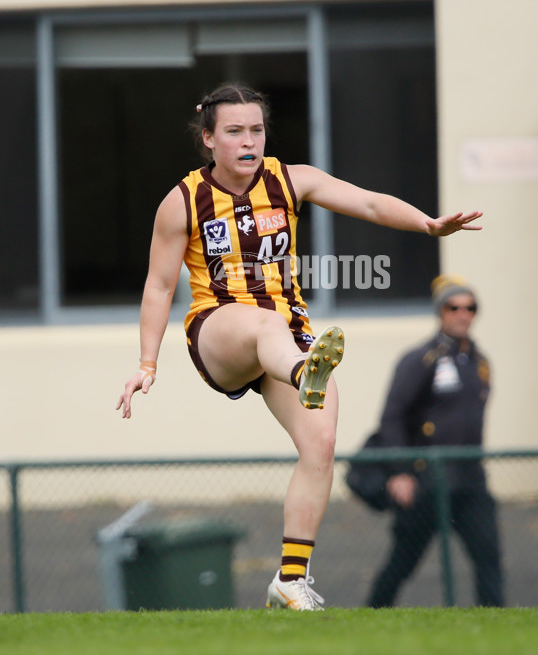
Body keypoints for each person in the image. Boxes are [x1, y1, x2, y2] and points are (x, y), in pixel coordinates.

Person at [116, 82, 483, 611]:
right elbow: (158, 286)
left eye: (257, 130)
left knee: (322, 443)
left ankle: (290, 580)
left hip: (289, 336)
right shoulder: (182, 201)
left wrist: (426, 224)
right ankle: (303, 369)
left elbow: (370, 203)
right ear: (209, 139)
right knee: (266, 327)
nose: (249, 141)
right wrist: (147, 363)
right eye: (235, 132)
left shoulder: (292, 180)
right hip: (221, 332)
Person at [365, 274, 504, 608]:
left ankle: (498, 625)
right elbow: (393, 416)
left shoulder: (479, 363)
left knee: (489, 556)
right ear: (440, 312)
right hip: (428, 477)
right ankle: (371, 615)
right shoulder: (420, 359)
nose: (463, 314)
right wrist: (400, 471)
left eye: (470, 307)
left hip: (470, 478)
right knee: (403, 562)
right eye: (454, 307)